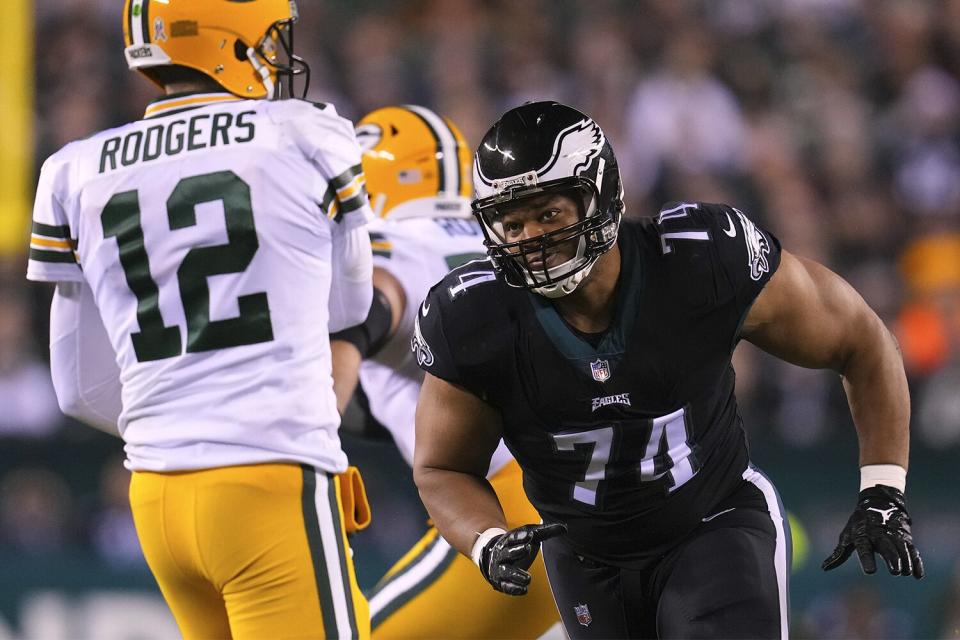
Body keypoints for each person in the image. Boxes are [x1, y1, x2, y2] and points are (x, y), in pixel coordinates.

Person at [411, 101, 924, 639]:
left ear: (601, 196)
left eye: (549, 214)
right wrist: (485, 539)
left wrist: (883, 488)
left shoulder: (697, 261)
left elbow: (863, 340)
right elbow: (443, 467)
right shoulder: (473, 316)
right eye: (511, 224)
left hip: (711, 524)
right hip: (585, 557)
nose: (531, 241)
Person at [27, 2, 374, 638]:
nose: (275, 53)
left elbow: (75, 388)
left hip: (155, 497)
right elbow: (348, 312)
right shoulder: (304, 133)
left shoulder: (73, 168)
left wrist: (181, 419)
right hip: (269, 480)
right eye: (267, 37)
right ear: (226, 40)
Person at [329, 104, 560, 639]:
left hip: (510, 515)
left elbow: (361, 322)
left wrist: (305, 452)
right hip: (604, 494)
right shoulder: (513, 238)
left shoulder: (387, 244)